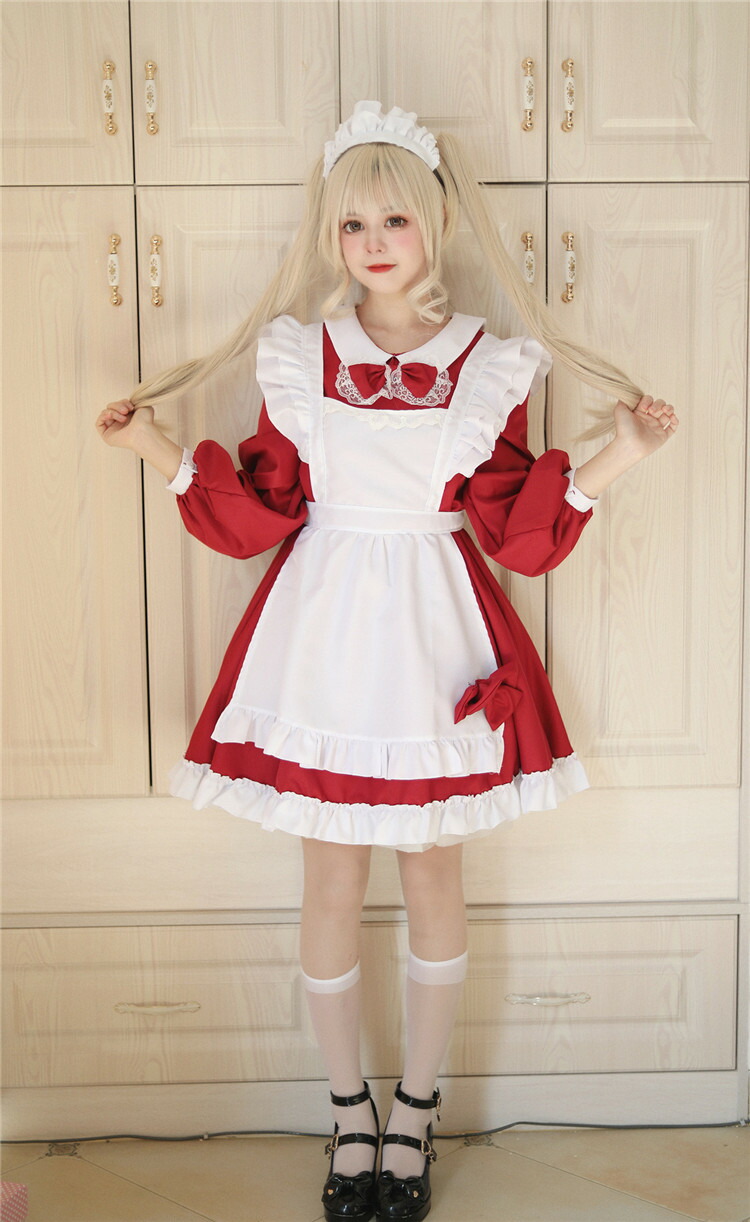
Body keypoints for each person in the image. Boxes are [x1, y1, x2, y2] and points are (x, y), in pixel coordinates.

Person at [96, 101, 678, 1222]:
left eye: (395, 218)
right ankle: (346, 1110)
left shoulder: (488, 364)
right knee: (328, 875)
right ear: (330, 235)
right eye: (352, 222)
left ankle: (415, 1109)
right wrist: (152, 446)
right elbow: (262, 509)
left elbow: (512, 529)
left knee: (431, 871)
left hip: (436, 634)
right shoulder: (297, 357)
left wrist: (625, 453)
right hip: (319, 636)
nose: (373, 241)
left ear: (437, 224)